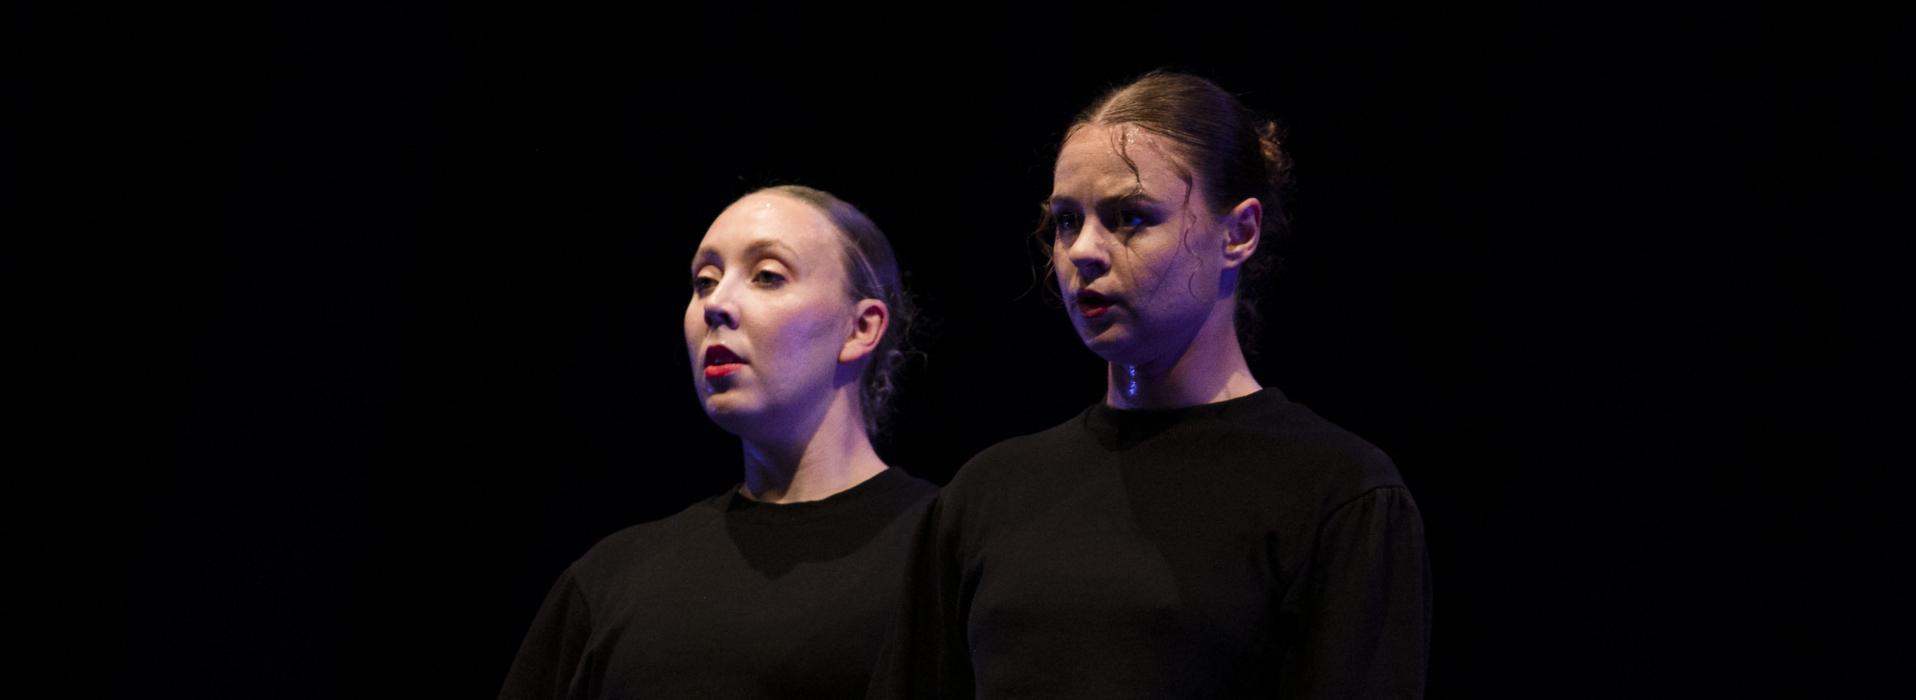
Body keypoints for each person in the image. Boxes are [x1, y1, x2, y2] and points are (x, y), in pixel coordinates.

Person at [872, 71, 1431, 698]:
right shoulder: (986, 494)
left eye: (1130, 217)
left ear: (1239, 233)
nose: (1083, 250)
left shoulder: (1336, 492)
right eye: (1066, 221)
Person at [500, 185, 936, 699]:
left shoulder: (941, 552)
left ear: (860, 328)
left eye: (767, 275)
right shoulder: (613, 580)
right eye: (704, 282)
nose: (717, 305)